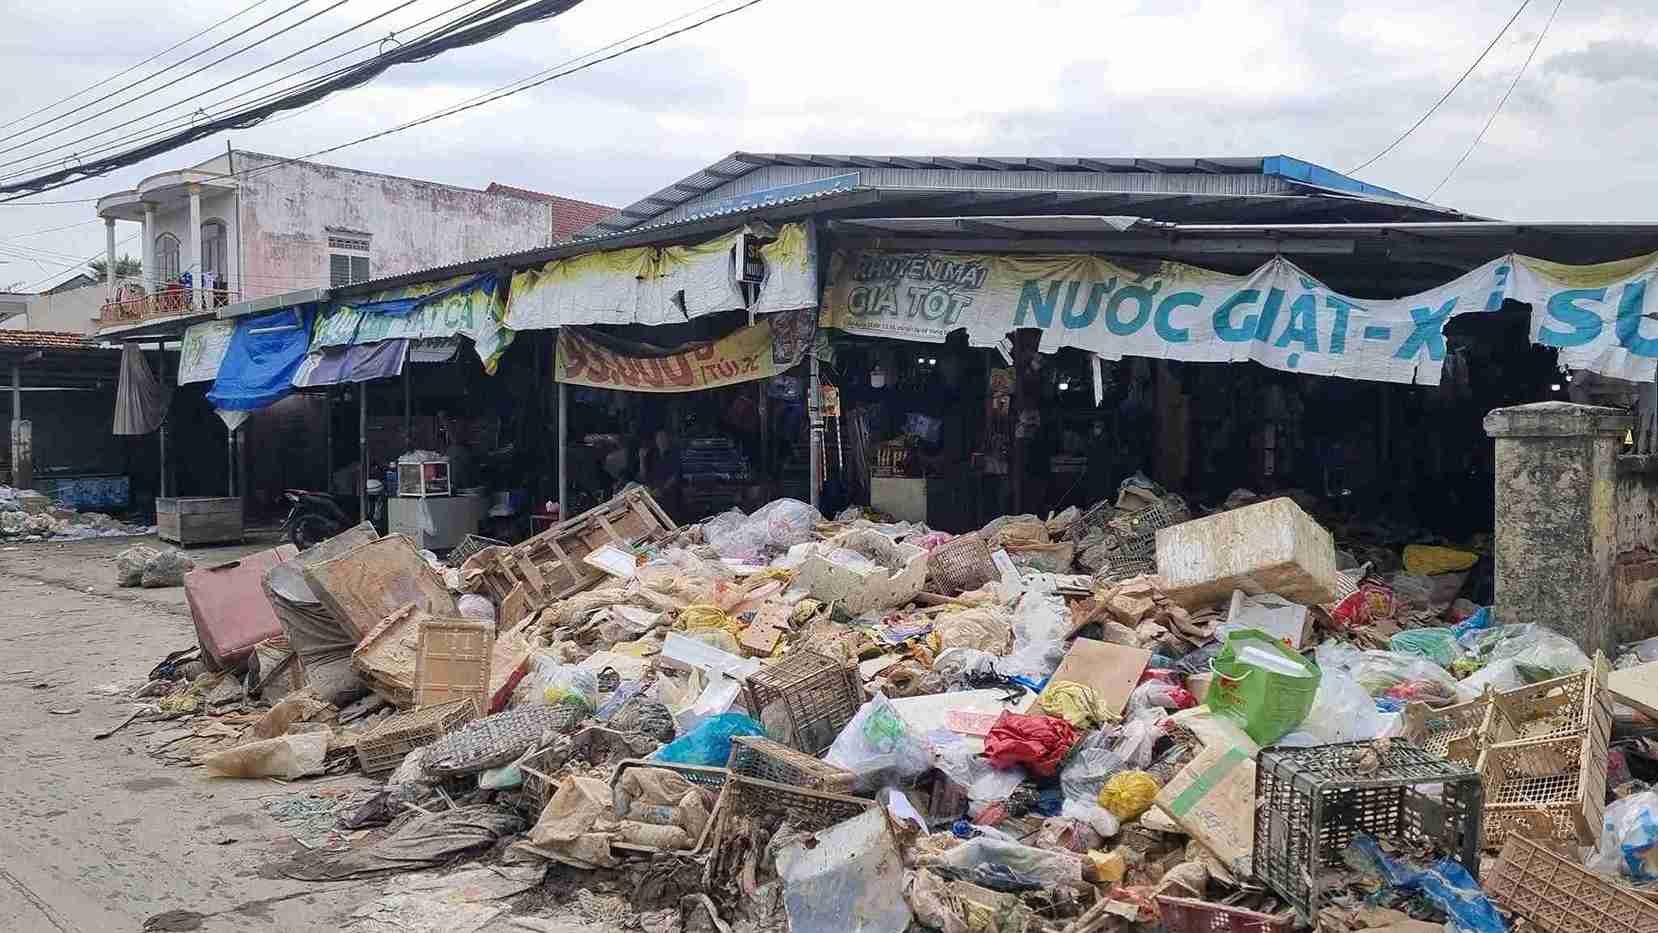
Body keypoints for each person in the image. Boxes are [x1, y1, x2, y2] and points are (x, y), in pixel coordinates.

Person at [637, 428, 681, 514]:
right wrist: (641, 459)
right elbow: (643, 475)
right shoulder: (652, 455)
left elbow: (675, 476)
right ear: (656, 440)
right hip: (652, 491)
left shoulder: (674, 455)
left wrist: (662, 489)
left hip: (668, 492)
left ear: (668, 439)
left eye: (663, 438)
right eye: (659, 438)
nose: (661, 440)